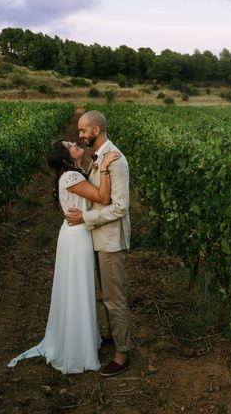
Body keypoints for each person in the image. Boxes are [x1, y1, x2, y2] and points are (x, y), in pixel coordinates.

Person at [7, 139, 121, 374]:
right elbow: (103, 198)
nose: (75, 142)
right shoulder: (70, 177)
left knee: (78, 288)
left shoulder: (76, 172)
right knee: (78, 288)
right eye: (70, 144)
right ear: (65, 157)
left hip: (78, 233)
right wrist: (107, 168)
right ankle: (77, 348)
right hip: (77, 237)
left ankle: (81, 339)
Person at [65, 110, 133, 377]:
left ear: (96, 130)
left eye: (83, 131)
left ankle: (122, 353)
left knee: (114, 298)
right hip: (96, 236)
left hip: (110, 240)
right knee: (105, 295)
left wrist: (85, 217)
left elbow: (120, 207)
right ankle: (114, 337)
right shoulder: (99, 157)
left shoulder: (115, 160)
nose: (80, 136)